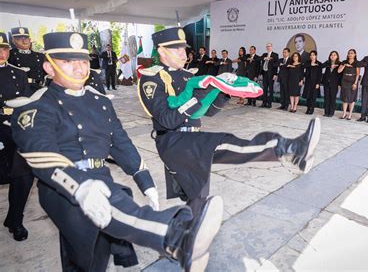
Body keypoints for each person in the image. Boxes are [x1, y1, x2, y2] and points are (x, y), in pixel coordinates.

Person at [9, 32, 223, 272]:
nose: (79, 69)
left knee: (94, 254)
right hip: (61, 188)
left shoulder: (99, 101)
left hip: (101, 176)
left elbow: (120, 143)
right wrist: (79, 187)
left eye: (82, 61)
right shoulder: (37, 108)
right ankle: (174, 236)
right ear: (49, 67)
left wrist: (144, 180)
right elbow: (42, 157)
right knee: (109, 213)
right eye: (68, 62)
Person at [137, 27, 321, 218]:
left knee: (198, 196)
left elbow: (208, 112)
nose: (184, 54)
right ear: (161, 51)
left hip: (193, 138)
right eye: (177, 50)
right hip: (172, 140)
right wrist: (197, 96)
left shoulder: (188, 75)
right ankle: (290, 150)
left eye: (184, 49)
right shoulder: (152, 79)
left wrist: (224, 91)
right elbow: (167, 119)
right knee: (224, 143)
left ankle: (189, 235)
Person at [0, 32, 33, 241]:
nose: (1, 53)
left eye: (4, 49)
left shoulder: (18, 73)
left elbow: (28, 103)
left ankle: (15, 220)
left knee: (23, 177)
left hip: (16, 131)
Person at [8, 27, 45, 91]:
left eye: (26, 38)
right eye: (19, 39)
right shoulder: (9, 56)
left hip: (40, 89)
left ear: (30, 39)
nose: (25, 41)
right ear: (13, 41)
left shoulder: (40, 56)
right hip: (21, 90)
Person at [338, 49, 360, 120]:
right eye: (349, 53)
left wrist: (355, 83)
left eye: (352, 53)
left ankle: (350, 114)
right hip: (344, 80)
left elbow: (357, 74)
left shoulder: (357, 63)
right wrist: (344, 65)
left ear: (355, 54)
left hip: (353, 81)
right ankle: (344, 113)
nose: (350, 54)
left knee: (352, 98)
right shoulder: (344, 62)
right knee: (344, 98)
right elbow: (339, 71)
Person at [321, 51, 341, 117]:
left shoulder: (339, 64)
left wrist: (339, 84)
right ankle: (326, 112)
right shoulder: (327, 63)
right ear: (330, 56)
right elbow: (321, 66)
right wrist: (330, 65)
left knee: (332, 98)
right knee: (326, 98)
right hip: (326, 83)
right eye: (331, 55)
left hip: (334, 84)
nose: (333, 56)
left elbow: (341, 75)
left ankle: (331, 112)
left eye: (334, 55)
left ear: (337, 56)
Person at [302, 50, 323, 115]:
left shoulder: (319, 63)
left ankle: (312, 109)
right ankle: (308, 109)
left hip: (315, 82)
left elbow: (320, 75)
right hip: (308, 82)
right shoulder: (307, 62)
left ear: (316, 56)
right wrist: (311, 64)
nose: (312, 56)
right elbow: (304, 67)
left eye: (313, 55)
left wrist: (318, 83)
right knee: (308, 96)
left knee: (313, 97)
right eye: (311, 55)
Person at [260, 43, 279, 108]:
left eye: (269, 46)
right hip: (264, 73)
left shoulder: (275, 55)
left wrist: (275, 74)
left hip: (271, 74)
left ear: (272, 47)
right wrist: (265, 58)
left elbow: (276, 65)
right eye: (267, 46)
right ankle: (264, 103)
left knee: (270, 89)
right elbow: (260, 58)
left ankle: (269, 103)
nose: (268, 47)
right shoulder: (264, 55)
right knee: (264, 89)